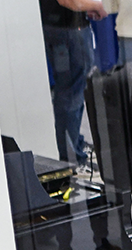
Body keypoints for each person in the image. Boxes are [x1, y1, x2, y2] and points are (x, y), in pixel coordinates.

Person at [42, 0, 106, 162]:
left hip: (64, 26)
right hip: (67, 31)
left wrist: (86, 6)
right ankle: (72, 158)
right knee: (71, 95)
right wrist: (97, 5)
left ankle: (74, 145)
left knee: (73, 92)